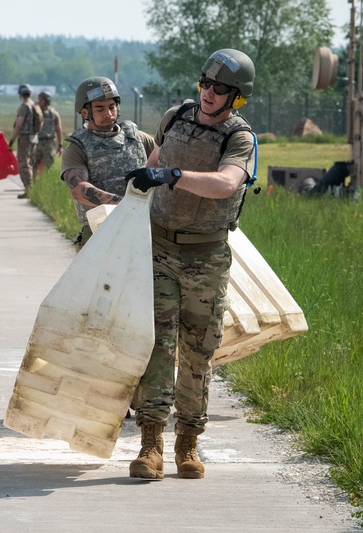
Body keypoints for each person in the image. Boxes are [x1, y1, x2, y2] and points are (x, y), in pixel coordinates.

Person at [124, 48, 257, 481]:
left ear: (236, 97)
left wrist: (174, 176)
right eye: (205, 83)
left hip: (205, 257)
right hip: (159, 248)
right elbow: (153, 167)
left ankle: (188, 443)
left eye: (220, 88)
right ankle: (150, 444)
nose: (209, 93)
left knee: (198, 352)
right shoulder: (175, 118)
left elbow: (226, 184)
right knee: (157, 346)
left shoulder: (239, 138)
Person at [61, 77, 155, 246]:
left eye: (112, 107)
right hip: (100, 232)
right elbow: (78, 189)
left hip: (141, 228)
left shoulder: (136, 137)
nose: (108, 114)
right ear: (85, 113)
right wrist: (123, 205)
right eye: (100, 108)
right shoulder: (77, 148)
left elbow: (163, 158)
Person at [9, 84, 42, 198]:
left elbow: (18, 125)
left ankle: (29, 189)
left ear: (20, 94)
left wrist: (12, 140)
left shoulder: (24, 106)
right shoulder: (34, 105)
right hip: (34, 137)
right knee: (31, 163)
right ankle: (33, 188)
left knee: (24, 163)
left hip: (25, 137)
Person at [33, 90, 63, 175]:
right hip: (36, 142)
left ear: (47, 100)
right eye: (39, 99)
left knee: (48, 166)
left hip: (48, 143)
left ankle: (45, 183)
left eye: (41, 99)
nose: (39, 101)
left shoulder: (53, 114)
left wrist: (60, 145)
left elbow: (58, 129)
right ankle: (34, 185)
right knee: (34, 164)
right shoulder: (35, 112)